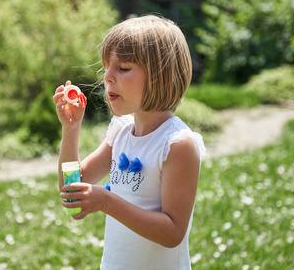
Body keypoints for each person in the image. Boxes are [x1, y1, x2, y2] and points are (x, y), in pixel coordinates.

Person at [52, 15, 206, 269]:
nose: (108, 77)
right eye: (106, 68)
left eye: (123, 68)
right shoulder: (121, 132)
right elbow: (71, 189)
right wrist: (71, 129)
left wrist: (106, 201)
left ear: (160, 75)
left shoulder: (177, 144)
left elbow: (173, 232)